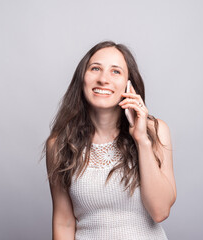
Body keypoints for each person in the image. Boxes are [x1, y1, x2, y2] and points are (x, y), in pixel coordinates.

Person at [44, 41, 176, 240]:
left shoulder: (155, 131)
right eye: (95, 68)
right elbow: (64, 222)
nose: (103, 79)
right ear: (82, 78)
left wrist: (141, 139)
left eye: (116, 72)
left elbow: (160, 211)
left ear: (128, 85)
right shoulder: (59, 144)